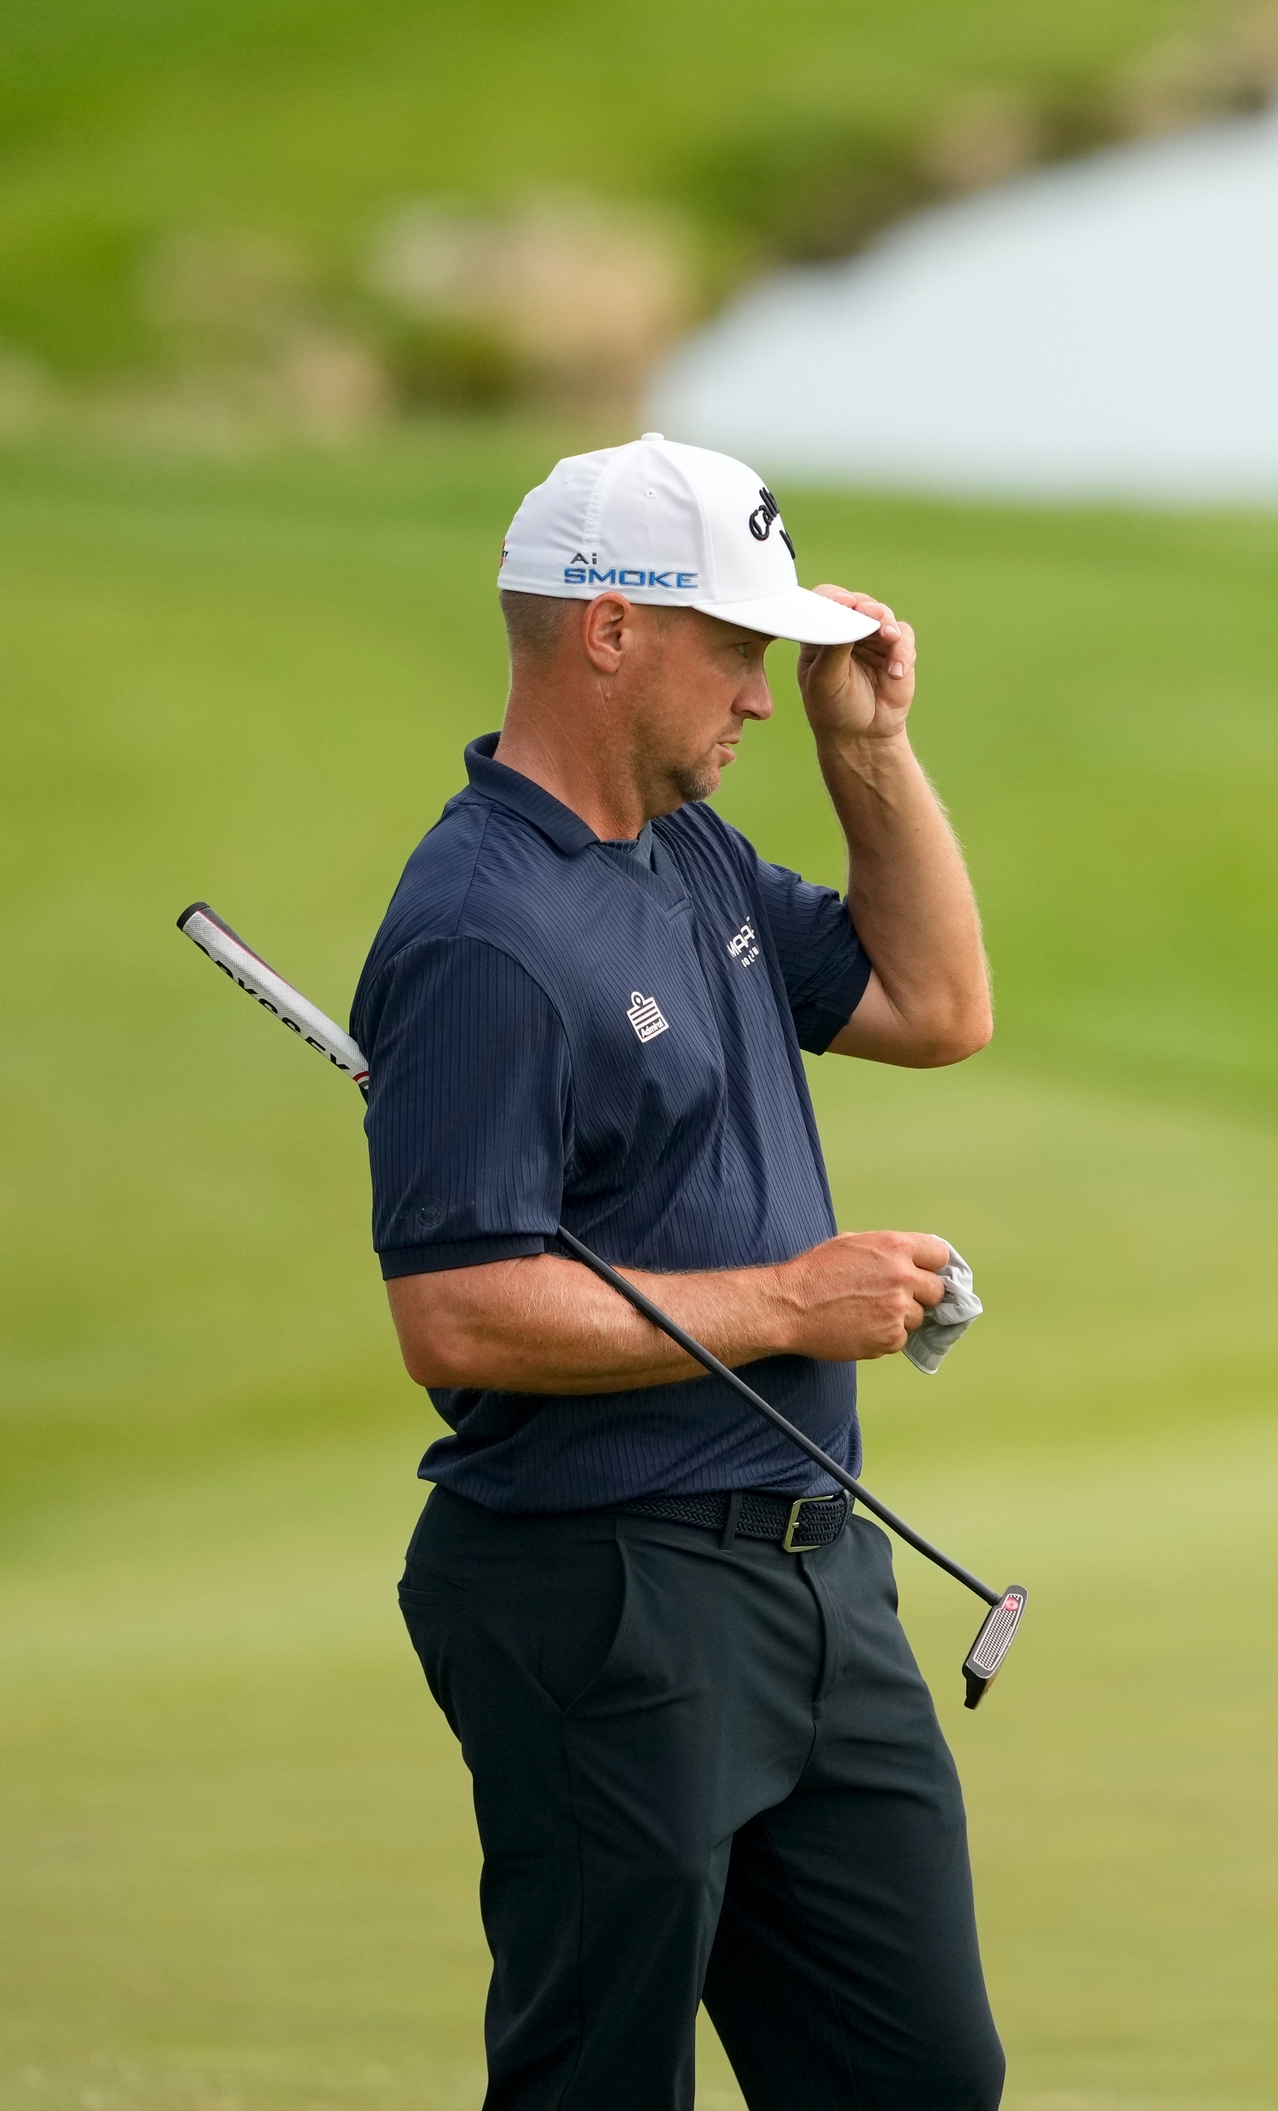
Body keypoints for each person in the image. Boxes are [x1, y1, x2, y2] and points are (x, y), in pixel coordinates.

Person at [350, 434, 1005, 2110]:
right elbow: (458, 1312)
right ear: (609, 630)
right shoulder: (484, 931)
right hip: (602, 1590)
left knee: (918, 2080)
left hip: (814, 1576)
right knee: (599, 2083)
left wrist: (877, 754)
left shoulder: (683, 852)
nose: (769, 695)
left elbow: (937, 1011)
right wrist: (797, 1303)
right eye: (740, 649)